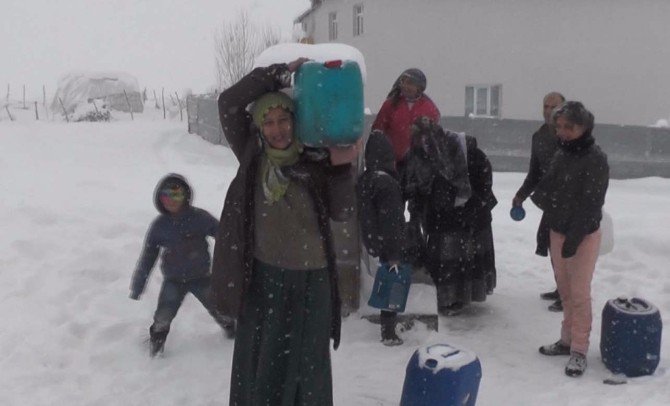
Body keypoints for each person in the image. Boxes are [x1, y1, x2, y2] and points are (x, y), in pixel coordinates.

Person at [209, 58, 358, 405]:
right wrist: (278, 73)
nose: (278, 130)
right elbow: (228, 103)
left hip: (313, 280)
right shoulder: (251, 155)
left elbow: (343, 211)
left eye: (284, 119)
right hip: (266, 277)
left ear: (296, 120)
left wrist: (340, 168)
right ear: (259, 128)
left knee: (309, 363)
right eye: (269, 122)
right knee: (264, 361)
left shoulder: (314, 158)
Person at [532, 101, 609, 377]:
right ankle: (566, 340)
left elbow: (591, 203)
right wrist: (542, 199)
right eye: (559, 127)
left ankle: (579, 349)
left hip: (583, 235)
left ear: (584, 127)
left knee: (579, 293)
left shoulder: (595, 159)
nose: (562, 132)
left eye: (569, 127)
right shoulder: (562, 153)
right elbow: (548, 185)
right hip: (559, 230)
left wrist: (574, 239)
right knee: (564, 291)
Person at [129, 174, 234, 357]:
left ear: (186, 195)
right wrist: (138, 284)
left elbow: (224, 235)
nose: (171, 200)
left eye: (176, 194)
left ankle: (230, 328)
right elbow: (148, 256)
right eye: (166, 196)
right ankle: (157, 339)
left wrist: (234, 251)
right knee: (164, 311)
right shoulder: (160, 226)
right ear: (160, 199)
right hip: (174, 280)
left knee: (217, 305)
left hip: (201, 277)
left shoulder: (200, 218)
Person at [403, 117, 481, 316]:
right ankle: (443, 297)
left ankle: (453, 298)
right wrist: (415, 210)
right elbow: (412, 180)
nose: (419, 140)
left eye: (421, 135)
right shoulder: (415, 151)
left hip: (453, 208)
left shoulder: (448, 144)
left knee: (452, 253)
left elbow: (457, 174)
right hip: (432, 210)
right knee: (438, 253)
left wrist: (449, 195)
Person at [513, 92, 565, 312]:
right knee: (552, 246)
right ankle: (562, 287)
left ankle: (567, 293)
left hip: (569, 203)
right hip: (550, 202)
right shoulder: (540, 136)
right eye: (545, 105)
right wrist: (521, 195)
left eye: (554, 106)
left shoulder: (570, 136)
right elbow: (534, 172)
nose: (549, 110)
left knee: (564, 250)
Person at [357, 130, 408, 346]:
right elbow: (391, 222)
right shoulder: (387, 184)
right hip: (388, 242)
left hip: (372, 238)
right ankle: (388, 332)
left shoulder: (366, 180)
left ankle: (387, 328)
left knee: (384, 283)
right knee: (392, 285)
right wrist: (395, 253)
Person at [372, 68, 440, 173]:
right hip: (392, 165)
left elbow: (435, 137)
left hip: (420, 168)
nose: (405, 86)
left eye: (410, 83)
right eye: (403, 82)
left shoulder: (430, 109)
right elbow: (378, 131)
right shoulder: (390, 105)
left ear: (419, 88)